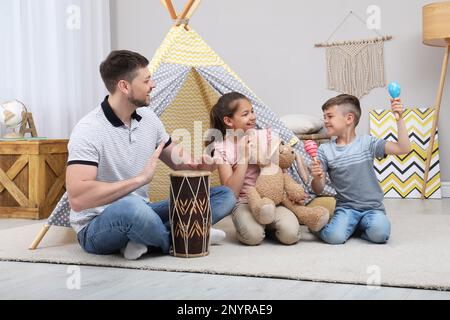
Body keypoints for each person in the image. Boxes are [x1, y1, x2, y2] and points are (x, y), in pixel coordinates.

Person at [66, 50, 236, 260]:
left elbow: (178, 160)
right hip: (96, 226)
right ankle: (187, 239)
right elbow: (78, 198)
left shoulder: (148, 118)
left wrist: (199, 165)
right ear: (124, 86)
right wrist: (139, 180)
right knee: (132, 206)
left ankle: (142, 239)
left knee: (224, 196)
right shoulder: (88, 130)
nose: (153, 85)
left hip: (144, 211)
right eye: (146, 80)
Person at [311, 94, 411, 244]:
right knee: (334, 237)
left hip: (373, 208)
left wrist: (399, 118)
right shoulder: (325, 150)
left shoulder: (367, 143)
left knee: (380, 234)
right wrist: (318, 177)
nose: (325, 121)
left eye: (329, 116)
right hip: (346, 208)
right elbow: (318, 189)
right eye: (324, 117)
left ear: (349, 119)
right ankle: (318, 226)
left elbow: (403, 148)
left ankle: (356, 228)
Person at [210, 92, 305, 246]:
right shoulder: (221, 148)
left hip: (273, 200)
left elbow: (279, 169)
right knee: (253, 237)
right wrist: (244, 157)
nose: (253, 117)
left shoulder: (265, 136)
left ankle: (269, 226)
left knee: (291, 235)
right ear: (228, 120)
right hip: (244, 203)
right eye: (245, 114)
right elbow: (230, 192)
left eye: (252, 111)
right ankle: (260, 226)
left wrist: (292, 190)